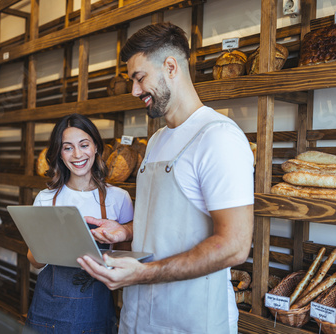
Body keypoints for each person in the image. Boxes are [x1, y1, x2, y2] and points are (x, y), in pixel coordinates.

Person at [77, 22, 254, 333]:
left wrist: (143, 274)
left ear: (171, 66)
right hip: (139, 313)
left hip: (193, 318)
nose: (134, 91)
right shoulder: (157, 140)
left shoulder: (218, 137)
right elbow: (166, 220)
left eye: (140, 78)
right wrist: (125, 231)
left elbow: (235, 246)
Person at [24, 113, 134, 333]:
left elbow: (125, 258)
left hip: (95, 310)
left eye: (84, 145)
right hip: (48, 310)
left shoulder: (118, 198)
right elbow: (34, 262)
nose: (77, 154)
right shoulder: (46, 199)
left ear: (96, 147)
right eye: (67, 147)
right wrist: (48, 243)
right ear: (60, 154)